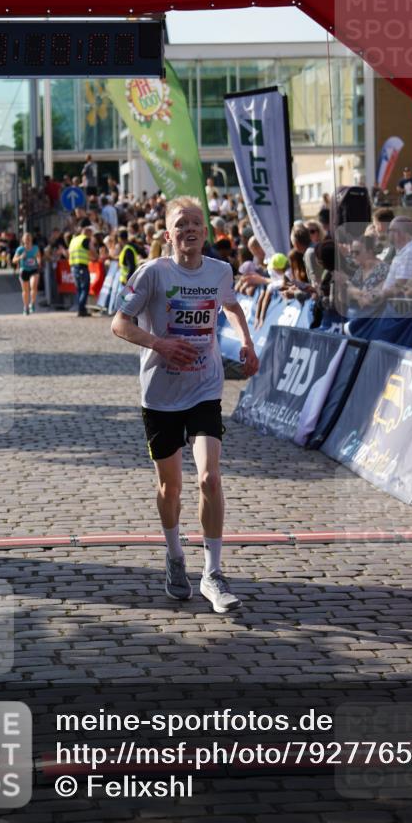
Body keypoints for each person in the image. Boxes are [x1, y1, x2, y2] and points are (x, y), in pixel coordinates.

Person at [111, 196, 259, 613]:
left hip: (205, 387)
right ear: (168, 234)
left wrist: (246, 341)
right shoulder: (153, 273)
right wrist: (158, 342)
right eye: (181, 223)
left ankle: (213, 572)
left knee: (210, 478)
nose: (190, 228)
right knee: (170, 487)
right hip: (159, 393)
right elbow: (119, 322)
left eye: (197, 222)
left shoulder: (219, 271)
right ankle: (175, 556)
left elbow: (230, 305)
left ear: (205, 232)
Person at [68, 221, 96, 317]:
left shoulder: (74, 240)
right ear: (87, 231)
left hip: (73, 267)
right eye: (91, 232)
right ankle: (81, 310)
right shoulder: (86, 240)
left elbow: (69, 253)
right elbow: (92, 251)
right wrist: (95, 257)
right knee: (85, 288)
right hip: (82, 267)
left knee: (79, 289)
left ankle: (81, 308)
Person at [12, 232, 42, 315]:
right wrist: (20, 257)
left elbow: (39, 256)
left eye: (29, 238)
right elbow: (13, 260)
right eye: (26, 238)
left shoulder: (35, 248)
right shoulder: (20, 249)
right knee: (25, 290)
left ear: (31, 239)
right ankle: (25, 307)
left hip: (34, 269)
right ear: (23, 240)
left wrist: (39, 262)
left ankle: (32, 303)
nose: (28, 239)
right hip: (24, 270)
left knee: (34, 286)